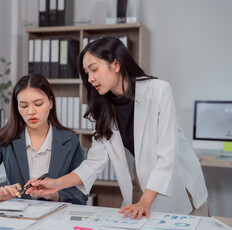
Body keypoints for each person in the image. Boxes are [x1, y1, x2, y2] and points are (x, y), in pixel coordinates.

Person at [25, 37, 208, 218]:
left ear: (116, 64)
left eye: (94, 69)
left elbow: (167, 155)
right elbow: (94, 163)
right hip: (142, 178)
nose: (90, 79)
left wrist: (145, 201)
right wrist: (56, 184)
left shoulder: (159, 91)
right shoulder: (104, 108)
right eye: (86, 73)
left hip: (179, 181)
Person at [0, 73, 87, 205]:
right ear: (17, 107)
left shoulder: (69, 140)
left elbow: (81, 193)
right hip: (18, 218)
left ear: (51, 103)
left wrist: (54, 195)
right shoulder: (7, 139)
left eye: (38, 104)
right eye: (24, 106)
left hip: (56, 219)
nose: (31, 111)